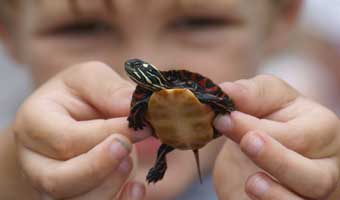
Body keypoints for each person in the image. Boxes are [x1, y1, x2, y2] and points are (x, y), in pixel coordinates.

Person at [0, 0, 339, 199]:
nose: (148, 58)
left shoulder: (287, 156)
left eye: (199, 23)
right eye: (83, 28)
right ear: (7, 34)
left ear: (281, 18)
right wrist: (19, 177)